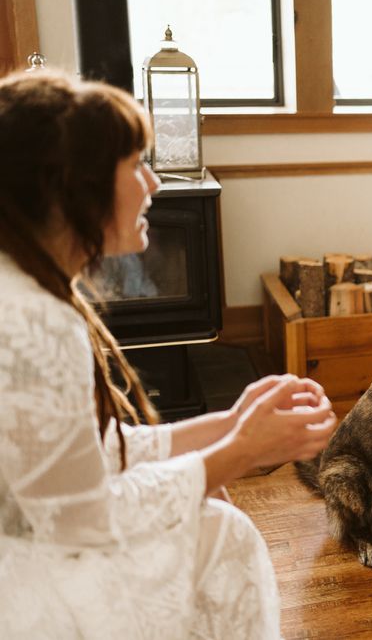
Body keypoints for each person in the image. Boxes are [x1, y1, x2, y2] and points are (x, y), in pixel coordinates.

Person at [0, 71, 338, 639]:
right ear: (73, 187)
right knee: (218, 533)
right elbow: (84, 515)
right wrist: (239, 452)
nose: (152, 183)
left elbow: (83, 459)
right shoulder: (31, 321)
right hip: (29, 584)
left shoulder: (23, 289)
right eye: (135, 163)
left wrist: (228, 426)